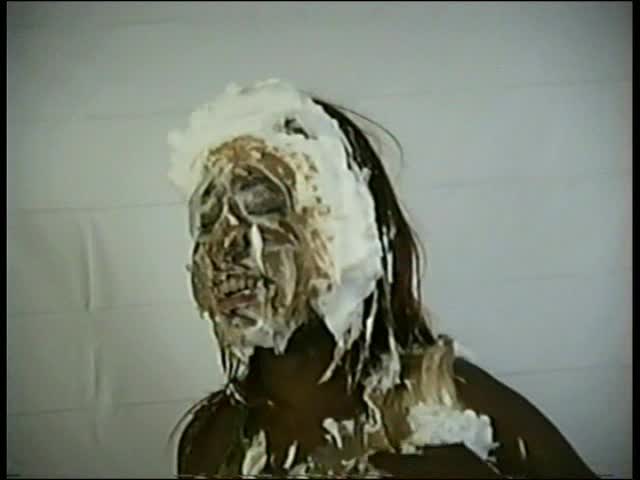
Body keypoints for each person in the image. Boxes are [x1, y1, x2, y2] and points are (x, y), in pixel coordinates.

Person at [167, 79, 597, 478]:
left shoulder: (453, 403)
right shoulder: (212, 439)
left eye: (263, 208)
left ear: (349, 235)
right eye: (207, 222)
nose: (224, 247)